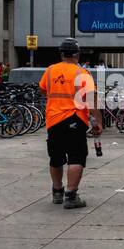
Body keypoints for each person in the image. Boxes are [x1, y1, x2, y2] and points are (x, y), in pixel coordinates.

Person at [39, 38, 101, 210]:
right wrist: (97, 122)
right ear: (77, 54)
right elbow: (91, 101)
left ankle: (57, 192)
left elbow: (43, 89)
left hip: (53, 120)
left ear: (61, 54)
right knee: (76, 156)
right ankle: (71, 196)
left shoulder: (50, 71)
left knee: (56, 158)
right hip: (75, 119)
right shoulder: (83, 73)